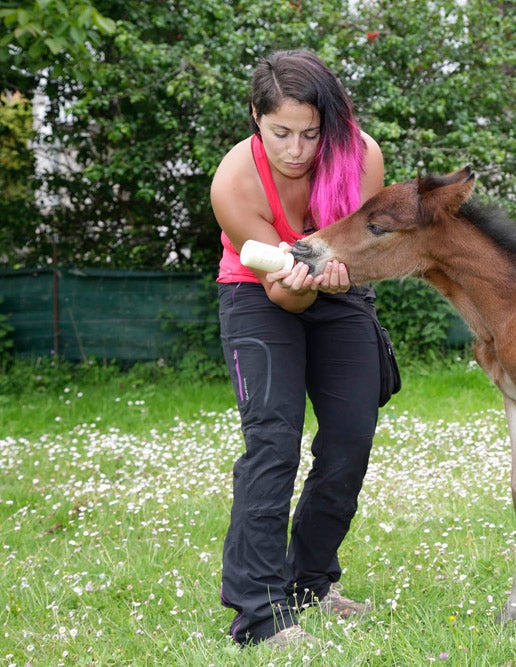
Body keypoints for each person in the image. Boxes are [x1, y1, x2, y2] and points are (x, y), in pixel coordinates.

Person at [211, 49, 385, 648]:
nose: (296, 149)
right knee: (273, 441)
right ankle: (259, 615)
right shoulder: (234, 182)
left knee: (350, 438)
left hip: (337, 290)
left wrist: (346, 273)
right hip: (261, 296)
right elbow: (284, 296)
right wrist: (303, 284)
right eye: (281, 132)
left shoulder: (360, 155)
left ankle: (311, 582)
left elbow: (364, 253)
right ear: (255, 117)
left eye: (311, 134)